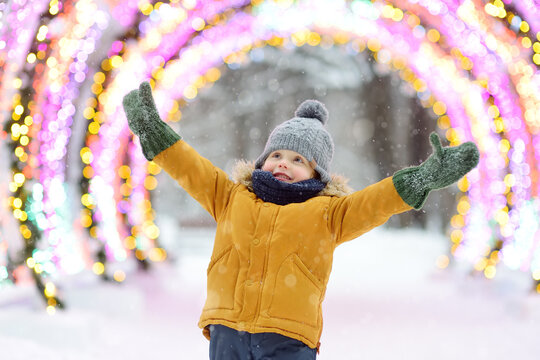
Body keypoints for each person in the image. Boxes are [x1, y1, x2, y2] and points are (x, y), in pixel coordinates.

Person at [123, 81, 479, 359]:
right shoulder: (230, 197)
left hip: (288, 337)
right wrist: (154, 131)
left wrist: (421, 178)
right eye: (276, 154)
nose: (282, 163)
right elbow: (191, 168)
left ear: (317, 172)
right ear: (262, 160)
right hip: (227, 328)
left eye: (297, 159)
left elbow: (376, 202)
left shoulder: (328, 213)